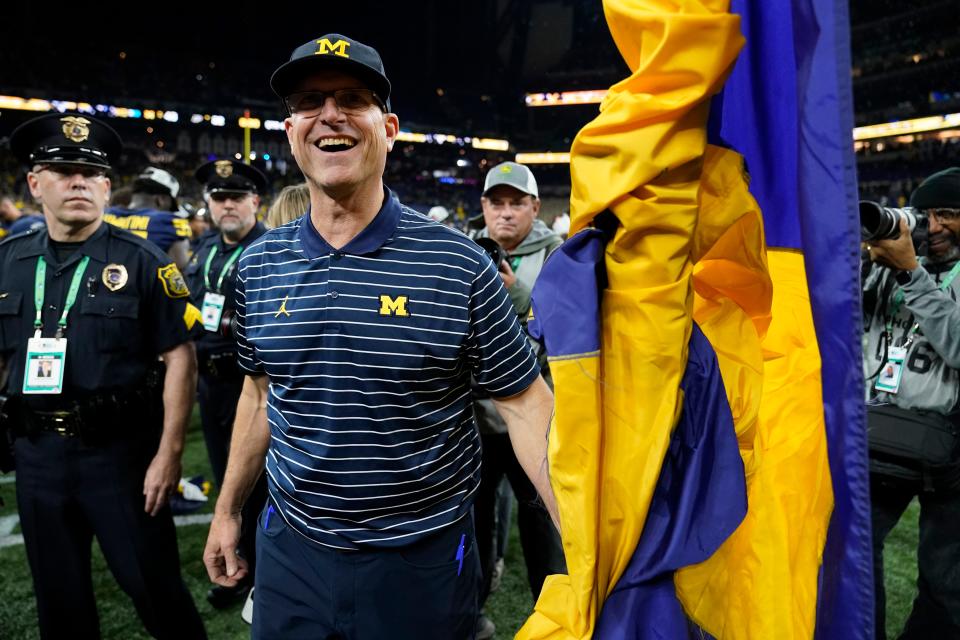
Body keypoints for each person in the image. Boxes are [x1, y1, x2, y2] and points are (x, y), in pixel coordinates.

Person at [203, 34, 557, 640]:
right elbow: (259, 396)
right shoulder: (258, 266)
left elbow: (526, 409)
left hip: (420, 554)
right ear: (290, 131)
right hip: (292, 548)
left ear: (388, 128)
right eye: (310, 102)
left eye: (352, 98)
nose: (330, 116)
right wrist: (228, 509)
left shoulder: (458, 264)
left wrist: (578, 530)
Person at [0, 112, 206, 638]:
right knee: (59, 601)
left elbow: (180, 355)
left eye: (92, 174)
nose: (78, 182)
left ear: (108, 188)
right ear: (34, 184)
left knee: (155, 589)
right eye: (64, 170)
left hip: (120, 457)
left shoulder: (143, 261)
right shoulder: (8, 260)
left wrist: (170, 453)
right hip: (37, 454)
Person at [863, 167, 960, 638]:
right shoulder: (885, 267)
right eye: (926, 215)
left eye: (949, 215)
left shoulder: (913, 269)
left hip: (952, 448)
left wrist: (910, 273)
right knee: (855, 553)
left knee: (945, 580)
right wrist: (857, 255)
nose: (934, 227)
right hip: (879, 431)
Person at [472, 161, 566, 638]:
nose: (505, 214)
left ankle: (557, 619)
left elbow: (566, 327)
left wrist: (516, 291)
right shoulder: (463, 250)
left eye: (516, 204)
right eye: (497, 203)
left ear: (535, 207)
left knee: (543, 526)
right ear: (484, 207)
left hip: (535, 418)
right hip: (474, 420)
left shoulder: (558, 253)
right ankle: (474, 613)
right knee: (474, 520)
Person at [186, 158, 269, 609]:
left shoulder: (272, 249)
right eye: (219, 198)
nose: (228, 205)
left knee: (260, 481)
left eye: (236, 197)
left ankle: (262, 572)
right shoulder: (204, 251)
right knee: (226, 478)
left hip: (253, 383)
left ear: (255, 201)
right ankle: (236, 568)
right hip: (212, 382)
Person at [104, 166, 192, 268]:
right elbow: (181, 269)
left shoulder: (105, 215)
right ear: (161, 200)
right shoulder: (170, 222)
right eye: (170, 207)